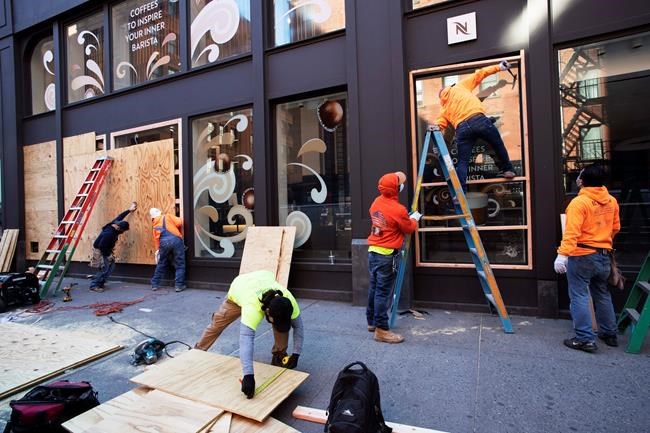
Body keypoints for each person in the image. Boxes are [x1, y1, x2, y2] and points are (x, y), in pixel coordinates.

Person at [194, 269, 304, 399]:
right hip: (239, 289)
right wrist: (248, 375)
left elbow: (298, 327)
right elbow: (246, 338)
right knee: (217, 324)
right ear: (267, 312)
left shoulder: (288, 300)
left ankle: (279, 356)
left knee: (281, 327)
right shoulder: (252, 308)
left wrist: (296, 354)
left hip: (261, 280)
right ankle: (197, 351)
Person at [554, 164, 621, 352]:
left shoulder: (579, 203)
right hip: (604, 255)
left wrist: (562, 255)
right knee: (602, 293)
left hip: (582, 255)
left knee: (579, 296)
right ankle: (609, 333)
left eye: (579, 176)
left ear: (582, 181)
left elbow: (571, 233)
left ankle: (585, 339)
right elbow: (615, 228)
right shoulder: (612, 201)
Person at [436, 61, 516, 191]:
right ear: (449, 87)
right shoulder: (458, 87)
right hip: (478, 119)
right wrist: (499, 67)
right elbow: (480, 74)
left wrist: (437, 145)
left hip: (462, 129)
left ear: (440, 98)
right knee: (497, 144)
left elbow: (439, 126)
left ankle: (460, 190)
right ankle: (508, 170)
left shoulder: (443, 108)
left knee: (463, 161)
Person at [367, 171, 421, 344]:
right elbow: (409, 228)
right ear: (397, 189)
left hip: (373, 252)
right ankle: (382, 330)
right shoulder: (398, 209)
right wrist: (414, 219)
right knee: (383, 293)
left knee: (374, 288)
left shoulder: (376, 202)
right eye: (399, 183)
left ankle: (372, 322)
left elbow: (383, 222)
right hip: (386, 255)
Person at [89, 202, 137, 292]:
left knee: (111, 267)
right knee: (105, 268)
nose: (123, 232)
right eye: (123, 231)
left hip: (105, 248)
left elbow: (120, 216)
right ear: (119, 228)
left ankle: (101, 282)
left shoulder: (114, 224)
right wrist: (108, 255)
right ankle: (94, 285)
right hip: (101, 250)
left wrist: (129, 210)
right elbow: (102, 246)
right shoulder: (109, 234)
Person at [150, 207, 186, 292]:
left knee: (161, 263)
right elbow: (179, 223)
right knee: (179, 263)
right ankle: (178, 286)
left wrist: (158, 250)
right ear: (160, 213)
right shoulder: (167, 216)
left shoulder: (154, 225)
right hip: (176, 241)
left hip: (163, 243)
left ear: (153, 217)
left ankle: (154, 284)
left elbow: (156, 240)